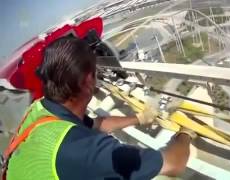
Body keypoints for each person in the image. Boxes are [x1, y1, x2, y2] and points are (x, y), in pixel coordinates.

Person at [4, 36, 197, 180]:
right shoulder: (84, 150)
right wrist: (184, 134)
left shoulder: (42, 111)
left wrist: (139, 118)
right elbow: (174, 164)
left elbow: (95, 124)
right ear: (88, 81)